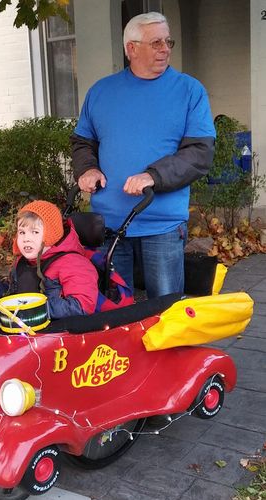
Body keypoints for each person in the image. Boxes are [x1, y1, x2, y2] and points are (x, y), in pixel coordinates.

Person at [71, 11, 215, 298]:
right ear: (131, 49)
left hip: (162, 225)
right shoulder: (101, 92)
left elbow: (200, 153)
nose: (165, 49)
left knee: (163, 315)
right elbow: (82, 142)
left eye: (168, 41)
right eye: (156, 42)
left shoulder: (189, 91)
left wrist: (153, 176)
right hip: (108, 226)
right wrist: (87, 169)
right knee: (115, 314)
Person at [0, 200, 99, 319]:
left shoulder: (75, 264)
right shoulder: (23, 261)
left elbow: (81, 307)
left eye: (35, 232)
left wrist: (35, 309)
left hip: (58, 330)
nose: (26, 239)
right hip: (27, 326)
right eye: (22, 232)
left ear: (51, 235)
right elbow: (13, 290)